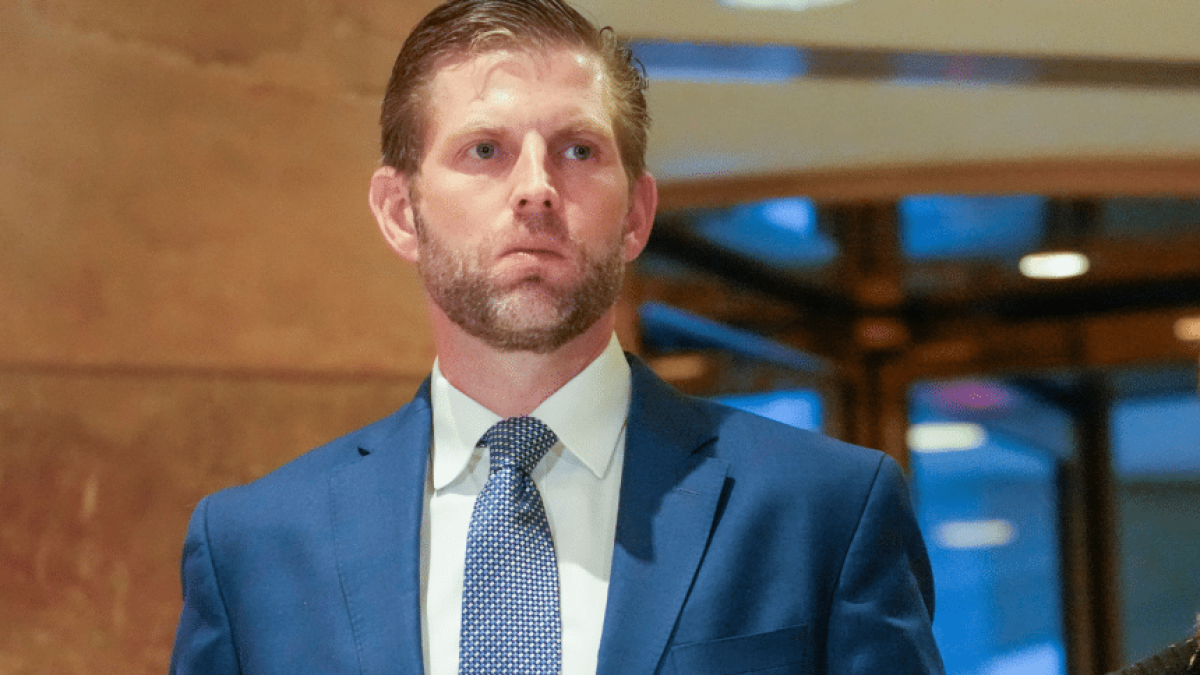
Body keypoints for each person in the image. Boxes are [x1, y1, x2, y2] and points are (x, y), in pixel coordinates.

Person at [168, 0, 944, 673]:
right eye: (485, 150)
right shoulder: (254, 548)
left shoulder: (825, 510)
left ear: (636, 214)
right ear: (401, 212)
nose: (537, 188)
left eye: (578, 150)